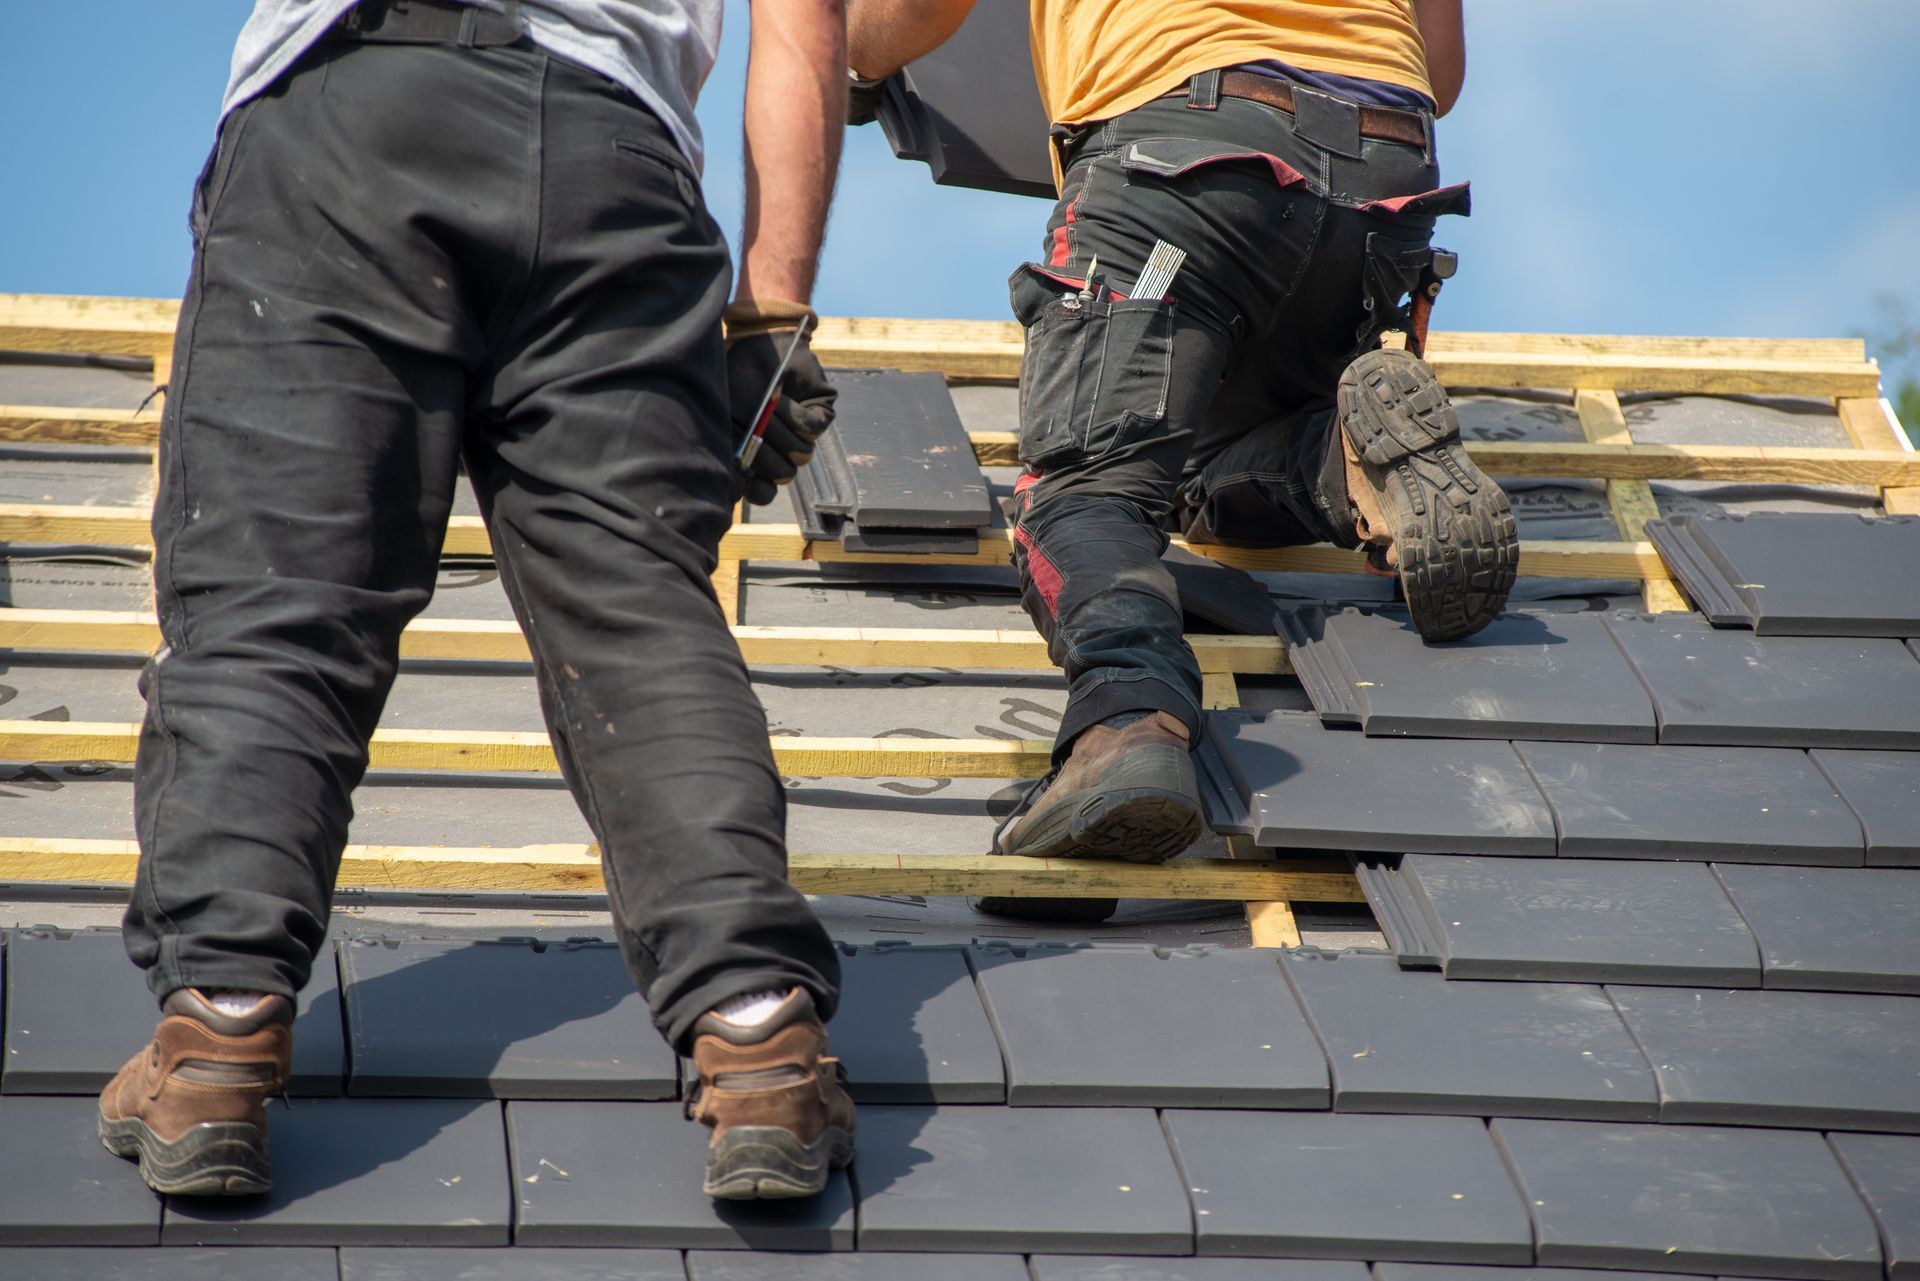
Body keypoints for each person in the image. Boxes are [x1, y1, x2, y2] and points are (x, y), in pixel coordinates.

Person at [97, 0, 855, 1202]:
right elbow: (813, 20)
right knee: (639, 614)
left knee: (279, 602)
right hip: (618, 162)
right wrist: (768, 309)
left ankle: (220, 1035)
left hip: (351, 118)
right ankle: (761, 1041)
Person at [849, 0, 1514, 897]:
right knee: (1201, 469)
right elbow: (1442, 67)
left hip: (1186, 184)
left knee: (1087, 483)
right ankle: (1352, 460)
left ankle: (1127, 723)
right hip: (1380, 190)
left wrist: (842, 58)